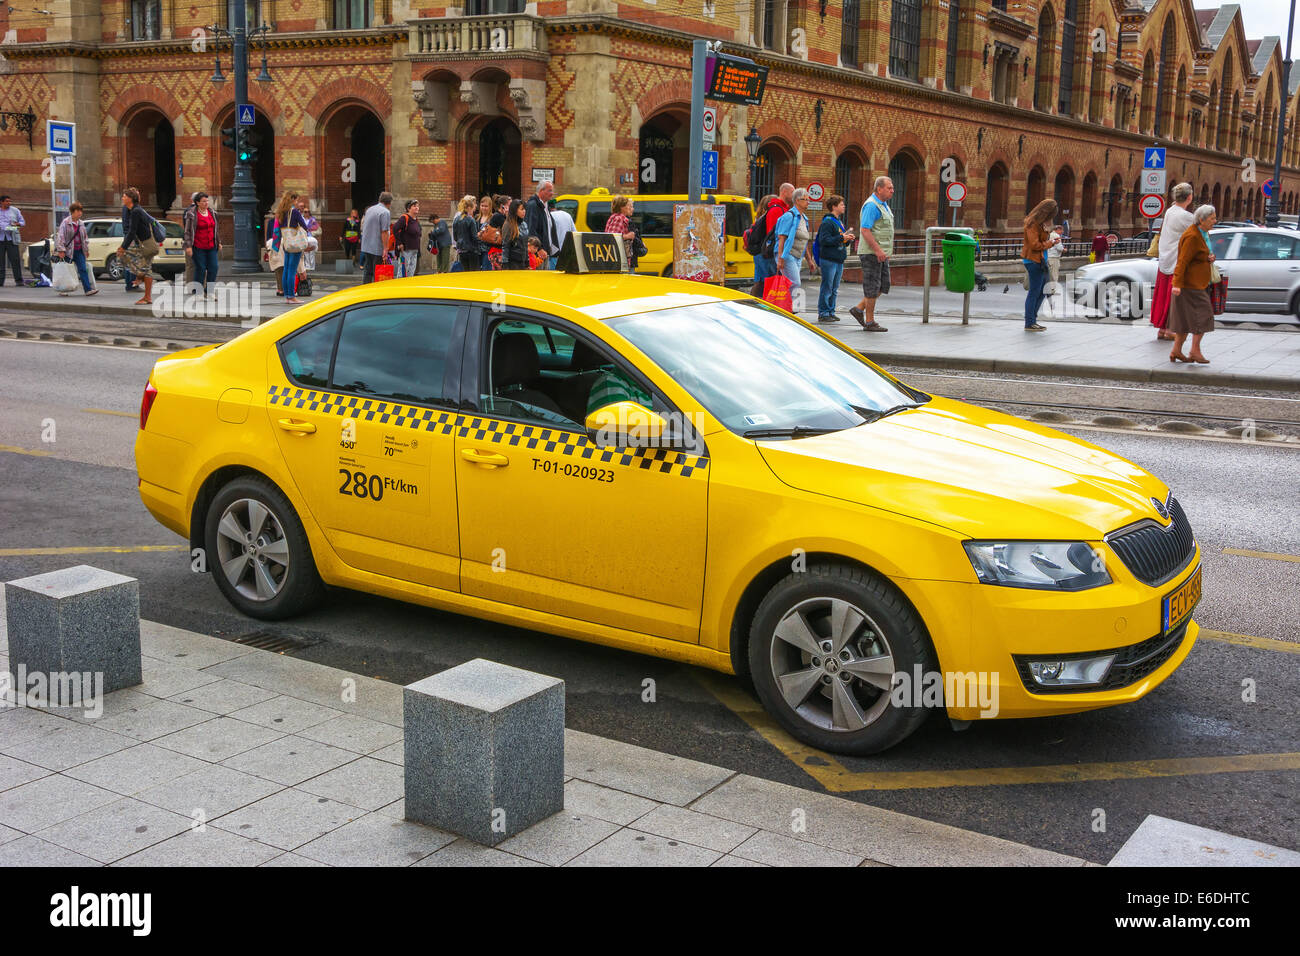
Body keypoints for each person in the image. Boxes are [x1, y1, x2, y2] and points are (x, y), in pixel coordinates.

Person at [1169, 204, 1218, 365]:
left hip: (1196, 283)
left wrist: (1208, 258)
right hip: (1190, 285)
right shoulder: (1192, 236)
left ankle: (1176, 350)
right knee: (1204, 316)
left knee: (1184, 319)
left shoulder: (1202, 234)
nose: (1215, 221)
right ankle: (1195, 351)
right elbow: (1182, 261)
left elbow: (1198, 255)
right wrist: (1176, 283)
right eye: (1212, 218)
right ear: (1201, 219)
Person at [849, 176, 894, 332]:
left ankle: (858, 309)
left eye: (893, 188)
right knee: (872, 287)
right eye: (889, 188)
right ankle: (869, 322)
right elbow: (865, 230)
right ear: (879, 188)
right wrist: (877, 250)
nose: (892, 191)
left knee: (883, 285)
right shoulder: (871, 206)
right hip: (871, 253)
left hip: (880, 254)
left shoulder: (884, 205)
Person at [1152, 183, 1196, 341]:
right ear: (1189, 197)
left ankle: (1162, 329)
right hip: (1177, 261)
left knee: (1163, 295)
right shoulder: (1186, 217)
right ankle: (1171, 329)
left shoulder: (1169, 211)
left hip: (1164, 259)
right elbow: (1200, 233)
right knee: (1175, 297)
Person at [1021, 198, 1060, 331]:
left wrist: (1049, 234)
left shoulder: (1039, 223)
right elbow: (1034, 245)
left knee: (1043, 291)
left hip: (1040, 260)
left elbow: (1040, 240)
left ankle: (1033, 320)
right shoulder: (1032, 223)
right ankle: (1029, 322)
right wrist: (1051, 243)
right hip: (1033, 261)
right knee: (1034, 292)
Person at [116, 186, 159, 304]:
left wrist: (123, 247)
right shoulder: (134, 210)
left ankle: (146, 295)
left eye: (124, 196)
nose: (122, 198)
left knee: (141, 266)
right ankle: (144, 289)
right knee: (146, 268)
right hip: (146, 243)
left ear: (130, 198)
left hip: (146, 245)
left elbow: (132, 231)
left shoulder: (135, 211)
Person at [750, 182, 793, 297]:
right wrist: (779, 255)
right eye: (792, 192)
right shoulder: (777, 210)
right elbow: (774, 235)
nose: (794, 196)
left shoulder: (777, 209)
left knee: (760, 282)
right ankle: (766, 307)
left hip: (761, 252)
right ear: (784, 192)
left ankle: (755, 305)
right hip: (767, 253)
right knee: (768, 283)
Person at [815, 194, 853, 322]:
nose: (844, 206)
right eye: (841, 204)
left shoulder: (839, 222)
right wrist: (842, 238)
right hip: (829, 259)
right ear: (834, 206)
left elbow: (840, 240)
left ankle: (831, 311)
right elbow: (824, 240)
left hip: (838, 259)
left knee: (834, 288)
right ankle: (823, 312)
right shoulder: (827, 222)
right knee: (827, 287)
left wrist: (847, 239)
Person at [774, 186, 818, 299]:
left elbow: (804, 241)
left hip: (798, 256)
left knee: (791, 283)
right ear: (797, 201)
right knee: (795, 283)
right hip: (787, 255)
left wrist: (809, 260)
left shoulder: (804, 218)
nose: (808, 202)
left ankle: (787, 308)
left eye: (809, 200)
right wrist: (780, 258)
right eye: (806, 199)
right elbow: (781, 238)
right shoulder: (789, 216)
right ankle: (789, 309)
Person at [272, 188, 310, 303]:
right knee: (292, 271)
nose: (297, 203)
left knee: (287, 270)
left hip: (286, 243)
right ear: (292, 199)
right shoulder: (295, 212)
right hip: (295, 244)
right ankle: (292, 297)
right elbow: (304, 226)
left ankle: (287, 296)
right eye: (296, 200)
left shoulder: (281, 212)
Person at [53, 200, 96, 296]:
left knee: (83, 269)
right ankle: (63, 289)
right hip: (68, 251)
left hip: (79, 250)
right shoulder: (66, 222)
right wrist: (61, 250)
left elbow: (85, 237)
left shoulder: (81, 223)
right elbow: (61, 236)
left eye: (81, 211)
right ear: (73, 211)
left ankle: (88, 290)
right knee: (65, 270)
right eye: (78, 211)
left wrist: (86, 250)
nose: (80, 213)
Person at [186, 191, 221, 296]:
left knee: (214, 267)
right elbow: (188, 231)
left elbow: (215, 229)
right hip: (198, 246)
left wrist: (219, 242)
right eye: (204, 201)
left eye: (207, 201)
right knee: (200, 268)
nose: (206, 203)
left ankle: (209, 291)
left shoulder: (213, 213)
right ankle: (198, 291)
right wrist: (188, 246)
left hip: (211, 246)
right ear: (197, 203)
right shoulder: (191, 214)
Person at [359, 191, 393, 283]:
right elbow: (384, 231)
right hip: (377, 247)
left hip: (366, 246)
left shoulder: (370, 209)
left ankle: (366, 290)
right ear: (389, 202)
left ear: (380, 199)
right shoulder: (385, 212)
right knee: (378, 273)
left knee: (367, 271)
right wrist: (386, 249)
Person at [526, 181, 558, 269]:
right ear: (541, 191)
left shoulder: (545, 206)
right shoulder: (533, 206)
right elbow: (531, 229)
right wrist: (539, 249)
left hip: (545, 252)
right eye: (550, 191)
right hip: (537, 253)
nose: (552, 193)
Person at [391, 199, 422, 277]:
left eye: (418, 206)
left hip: (414, 250)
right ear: (408, 208)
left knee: (411, 270)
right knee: (403, 269)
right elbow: (395, 229)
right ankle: (400, 285)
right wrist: (400, 243)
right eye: (414, 206)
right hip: (405, 250)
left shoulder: (416, 220)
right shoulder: (404, 218)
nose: (417, 208)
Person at [0, 194, 26, 286]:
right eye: (7, 201)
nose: (9, 203)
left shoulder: (15, 210)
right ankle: (0, 281)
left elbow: (23, 222)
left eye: (9, 201)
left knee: (15, 260)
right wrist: (7, 227)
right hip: (1, 239)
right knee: (0, 261)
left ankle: (19, 280)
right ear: (1, 202)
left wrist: (17, 224)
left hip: (12, 239)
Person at [452, 195, 480, 272]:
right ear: (468, 208)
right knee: (474, 273)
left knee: (465, 272)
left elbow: (455, 237)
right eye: (472, 208)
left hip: (461, 251)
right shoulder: (470, 220)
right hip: (471, 250)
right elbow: (474, 237)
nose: (473, 211)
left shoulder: (456, 219)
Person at [604, 195, 636, 262]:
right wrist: (628, 236)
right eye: (627, 205)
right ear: (622, 207)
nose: (630, 208)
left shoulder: (613, 217)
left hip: (617, 258)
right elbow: (612, 237)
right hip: (618, 259)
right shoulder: (619, 219)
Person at [501, 198, 530, 270]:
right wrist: (505, 264)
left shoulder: (524, 224)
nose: (524, 211)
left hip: (522, 261)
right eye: (522, 209)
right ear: (515, 210)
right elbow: (505, 246)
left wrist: (527, 261)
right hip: (512, 262)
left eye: (524, 209)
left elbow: (525, 245)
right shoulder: (509, 225)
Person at [180, 192, 199, 287]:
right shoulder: (197, 211)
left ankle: (190, 285)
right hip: (197, 241)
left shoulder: (186, 211)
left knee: (190, 265)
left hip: (188, 241)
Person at [1045, 223, 1065, 298]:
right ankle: (1052, 290)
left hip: (1049, 257)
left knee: (1050, 274)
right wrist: (1064, 249)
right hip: (1054, 258)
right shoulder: (1056, 236)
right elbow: (1059, 248)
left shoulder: (1050, 234)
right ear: (1058, 229)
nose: (1062, 232)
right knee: (1054, 274)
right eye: (1061, 230)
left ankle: (1049, 289)